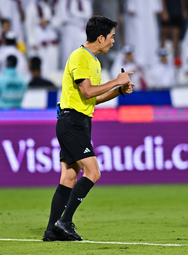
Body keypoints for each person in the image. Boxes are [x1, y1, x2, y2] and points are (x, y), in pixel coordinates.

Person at [42, 15, 134, 242]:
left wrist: (119, 90)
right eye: (111, 37)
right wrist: (116, 80)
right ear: (100, 37)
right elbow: (88, 92)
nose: (113, 41)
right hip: (72, 121)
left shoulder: (94, 60)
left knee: (69, 177)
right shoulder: (79, 57)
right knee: (93, 173)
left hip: (80, 121)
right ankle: (65, 221)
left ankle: (51, 231)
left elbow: (93, 98)